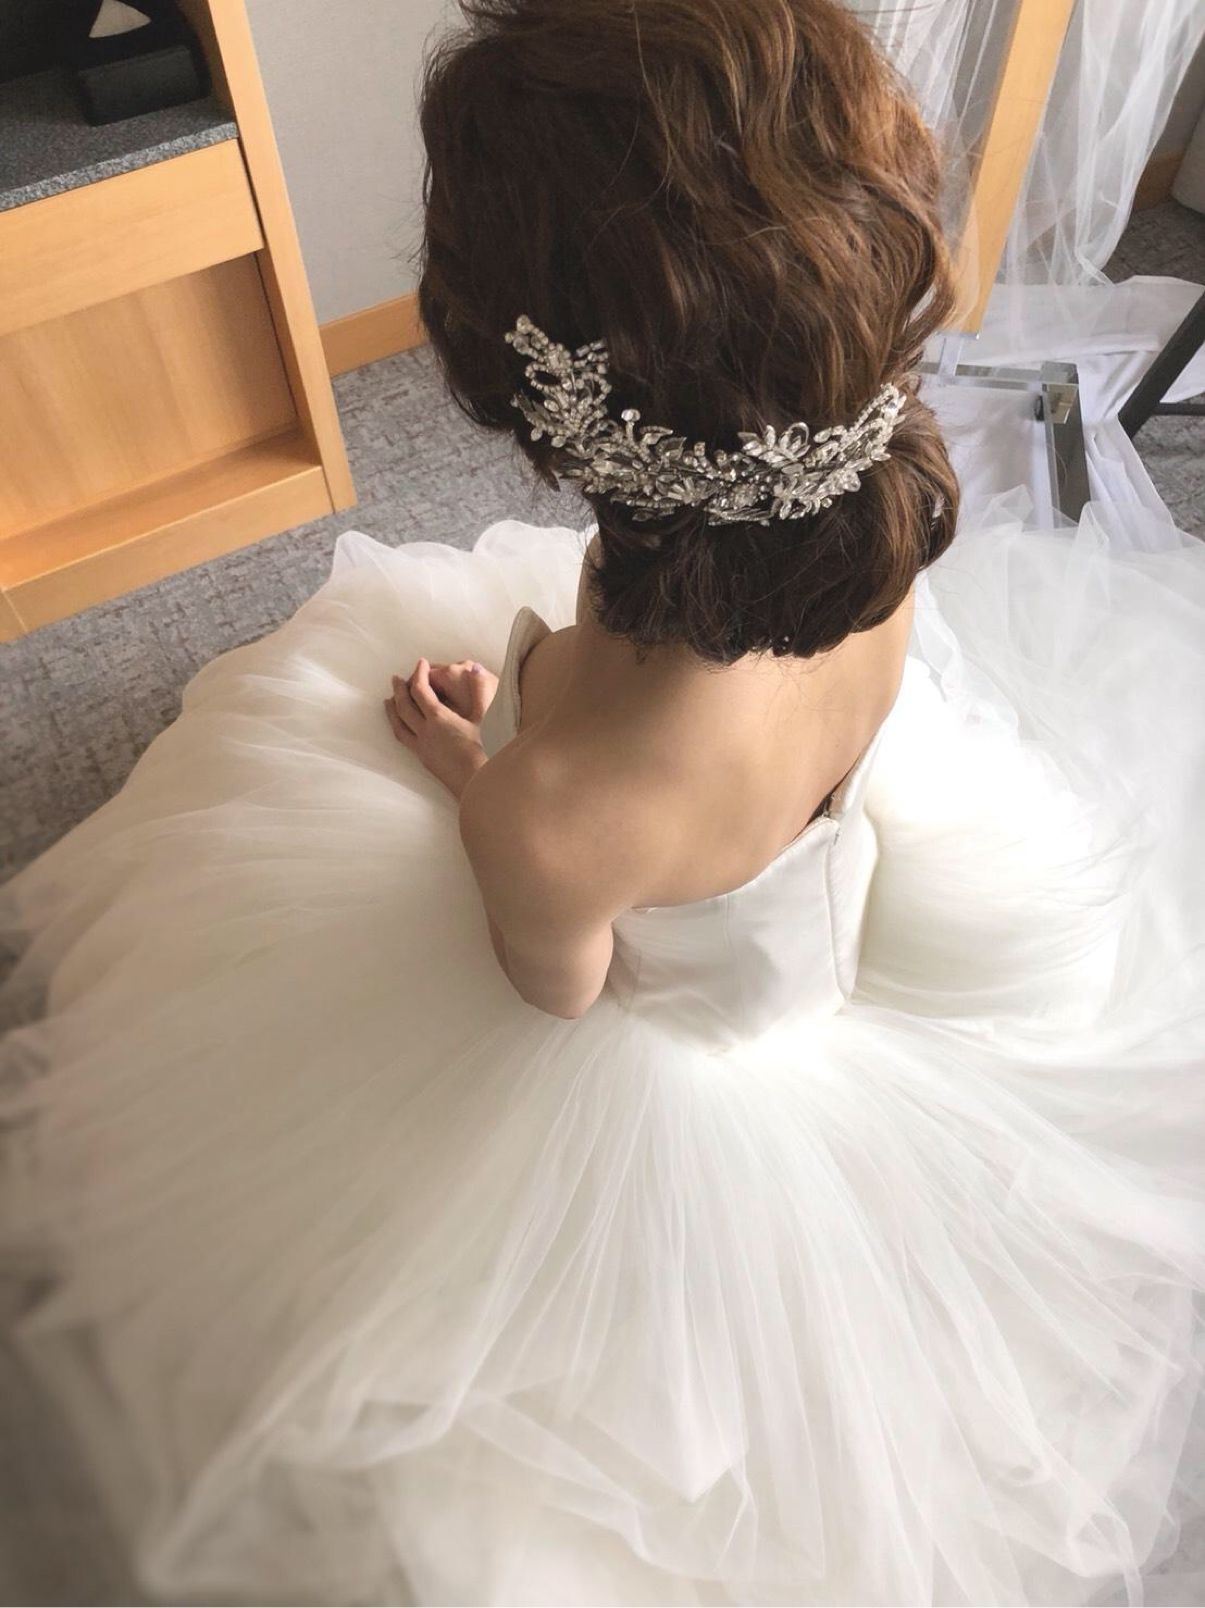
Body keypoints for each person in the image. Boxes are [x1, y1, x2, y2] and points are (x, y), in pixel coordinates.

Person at [2, 0, 1204, 1602]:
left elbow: (561, 991)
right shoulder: (873, 545)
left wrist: (476, 775)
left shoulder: (552, 806)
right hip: (794, 854)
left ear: (541, 403)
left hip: (668, 1016)